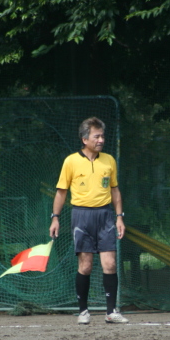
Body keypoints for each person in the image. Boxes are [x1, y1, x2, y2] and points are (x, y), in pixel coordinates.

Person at [49, 117, 128, 325]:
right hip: (81, 216)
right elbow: (61, 192)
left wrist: (119, 217)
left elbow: (115, 190)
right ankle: (83, 311)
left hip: (105, 216)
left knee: (110, 264)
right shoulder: (71, 161)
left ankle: (111, 312)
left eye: (102, 136)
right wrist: (55, 218)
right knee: (85, 266)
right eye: (96, 136)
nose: (101, 140)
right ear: (85, 139)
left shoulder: (109, 160)